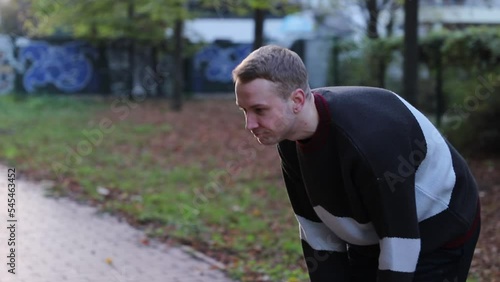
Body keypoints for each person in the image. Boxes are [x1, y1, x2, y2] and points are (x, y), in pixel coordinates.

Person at [231, 45, 481, 282]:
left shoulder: (369, 139)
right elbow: (316, 230)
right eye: (244, 111)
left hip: (439, 230)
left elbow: (399, 240)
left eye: (259, 110)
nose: (249, 124)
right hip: (373, 234)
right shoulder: (289, 140)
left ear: (296, 101)